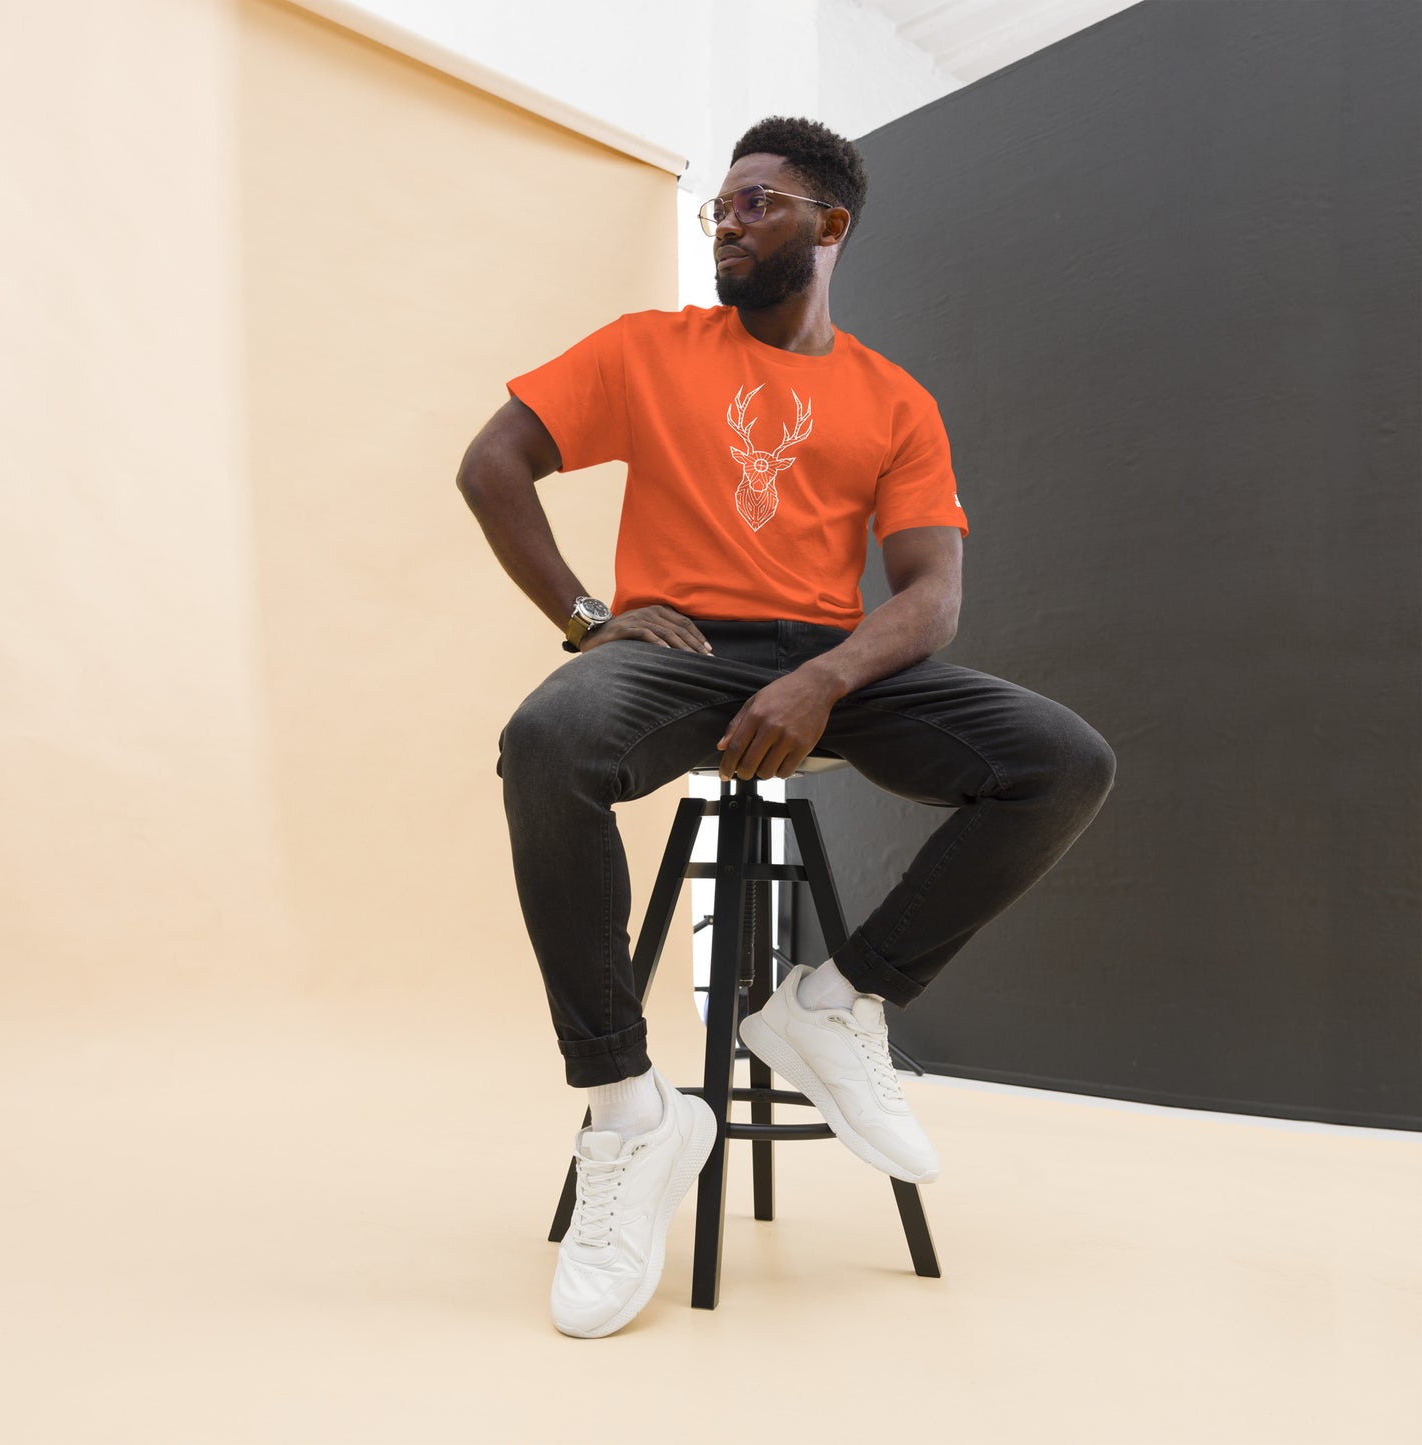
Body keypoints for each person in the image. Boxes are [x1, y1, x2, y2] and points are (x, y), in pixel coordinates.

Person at [457, 116, 1115, 1338]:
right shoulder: (647, 349)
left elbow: (929, 596)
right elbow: (491, 461)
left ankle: (833, 1000)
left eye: (754, 203)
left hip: (831, 658)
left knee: (1061, 761)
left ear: (828, 224)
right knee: (545, 744)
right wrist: (590, 616)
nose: (725, 220)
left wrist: (823, 680)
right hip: (681, 652)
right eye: (717, 205)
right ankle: (628, 1111)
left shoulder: (892, 398)